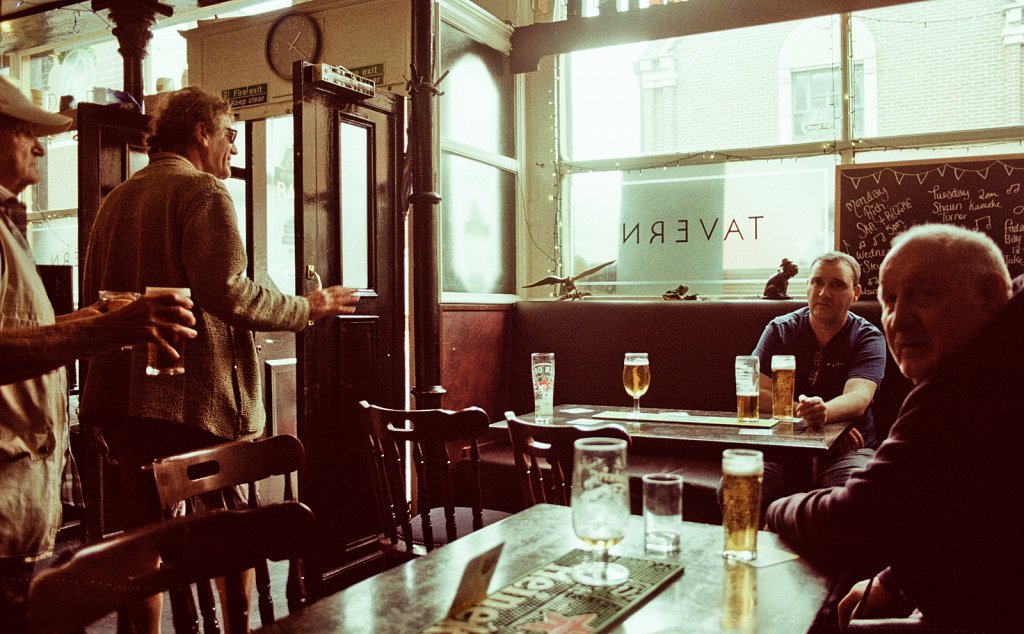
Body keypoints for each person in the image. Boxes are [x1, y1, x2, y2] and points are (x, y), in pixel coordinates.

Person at [79, 86, 360, 632]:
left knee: (143, 543)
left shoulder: (116, 199)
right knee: (233, 535)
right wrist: (310, 306)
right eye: (230, 134)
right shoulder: (204, 191)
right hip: (195, 404)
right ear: (201, 133)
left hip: (120, 404)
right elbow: (228, 292)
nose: (234, 146)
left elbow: (94, 301)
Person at [0, 76, 197, 632]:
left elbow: (15, 329)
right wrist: (100, 335)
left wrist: (87, 320)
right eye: (23, 131)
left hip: (21, 507)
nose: (41, 146)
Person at [767, 225, 1023, 631]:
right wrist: (898, 580)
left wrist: (777, 509)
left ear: (990, 295)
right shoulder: (995, 361)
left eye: (925, 294)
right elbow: (966, 516)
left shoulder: (969, 389)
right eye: (890, 300)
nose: (899, 319)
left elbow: (856, 521)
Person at [723, 251, 886, 514]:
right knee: (737, 490)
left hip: (847, 451)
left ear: (855, 292)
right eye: (817, 282)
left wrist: (825, 416)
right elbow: (754, 394)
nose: (824, 293)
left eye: (837, 285)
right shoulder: (780, 329)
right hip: (781, 446)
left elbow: (858, 399)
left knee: (845, 503)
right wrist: (818, 423)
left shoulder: (867, 337)